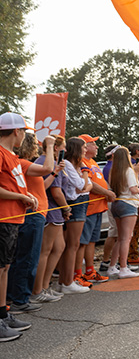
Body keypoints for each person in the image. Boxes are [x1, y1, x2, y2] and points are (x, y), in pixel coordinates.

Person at [0, 112, 39, 342]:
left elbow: (15, 186)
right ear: (16, 131)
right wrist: (20, 196)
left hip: (13, 219)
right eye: (23, 131)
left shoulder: (11, 156)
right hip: (3, 219)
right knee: (0, 268)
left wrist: (26, 195)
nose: (24, 136)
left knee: (4, 267)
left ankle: (3, 313)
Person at [7, 132, 55, 314]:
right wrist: (49, 146)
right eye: (35, 144)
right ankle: (20, 298)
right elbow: (47, 168)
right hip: (32, 215)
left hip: (35, 213)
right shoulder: (23, 163)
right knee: (27, 258)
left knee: (24, 257)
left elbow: (44, 182)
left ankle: (15, 297)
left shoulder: (23, 164)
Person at [30, 136, 67, 304]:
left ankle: (44, 286)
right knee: (44, 251)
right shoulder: (46, 162)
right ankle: (37, 289)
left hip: (53, 211)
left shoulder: (47, 161)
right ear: (56, 148)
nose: (64, 151)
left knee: (59, 247)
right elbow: (53, 190)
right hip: (49, 209)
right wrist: (66, 207)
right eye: (63, 147)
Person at [77, 135, 114, 285]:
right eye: (93, 144)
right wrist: (107, 193)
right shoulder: (82, 162)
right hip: (89, 207)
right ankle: (78, 273)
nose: (97, 147)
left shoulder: (92, 162)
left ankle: (90, 271)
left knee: (92, 241)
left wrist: (108, 191)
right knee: (83, 242)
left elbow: (100, 181)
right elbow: (90, 182)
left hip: (98, 207)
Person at [59, 137, 93, 293]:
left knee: (71, 245)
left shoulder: (75, 165)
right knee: (72, 245)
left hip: (80, 202)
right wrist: (85, 172)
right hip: (75, 205)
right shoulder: (68, 164)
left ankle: (65, 281)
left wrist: (85, 181)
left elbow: (88, 186)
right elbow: (81, 186)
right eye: (84, 147)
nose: (86, 150)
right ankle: (67, 282)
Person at [107, 147, 139, 279]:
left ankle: (112, 266)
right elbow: (133, 189)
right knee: (126, 238)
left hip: (116, 204)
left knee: (120, 237)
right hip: (128, 204)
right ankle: (123, 268)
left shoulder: (113, 171)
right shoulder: (128, 170)